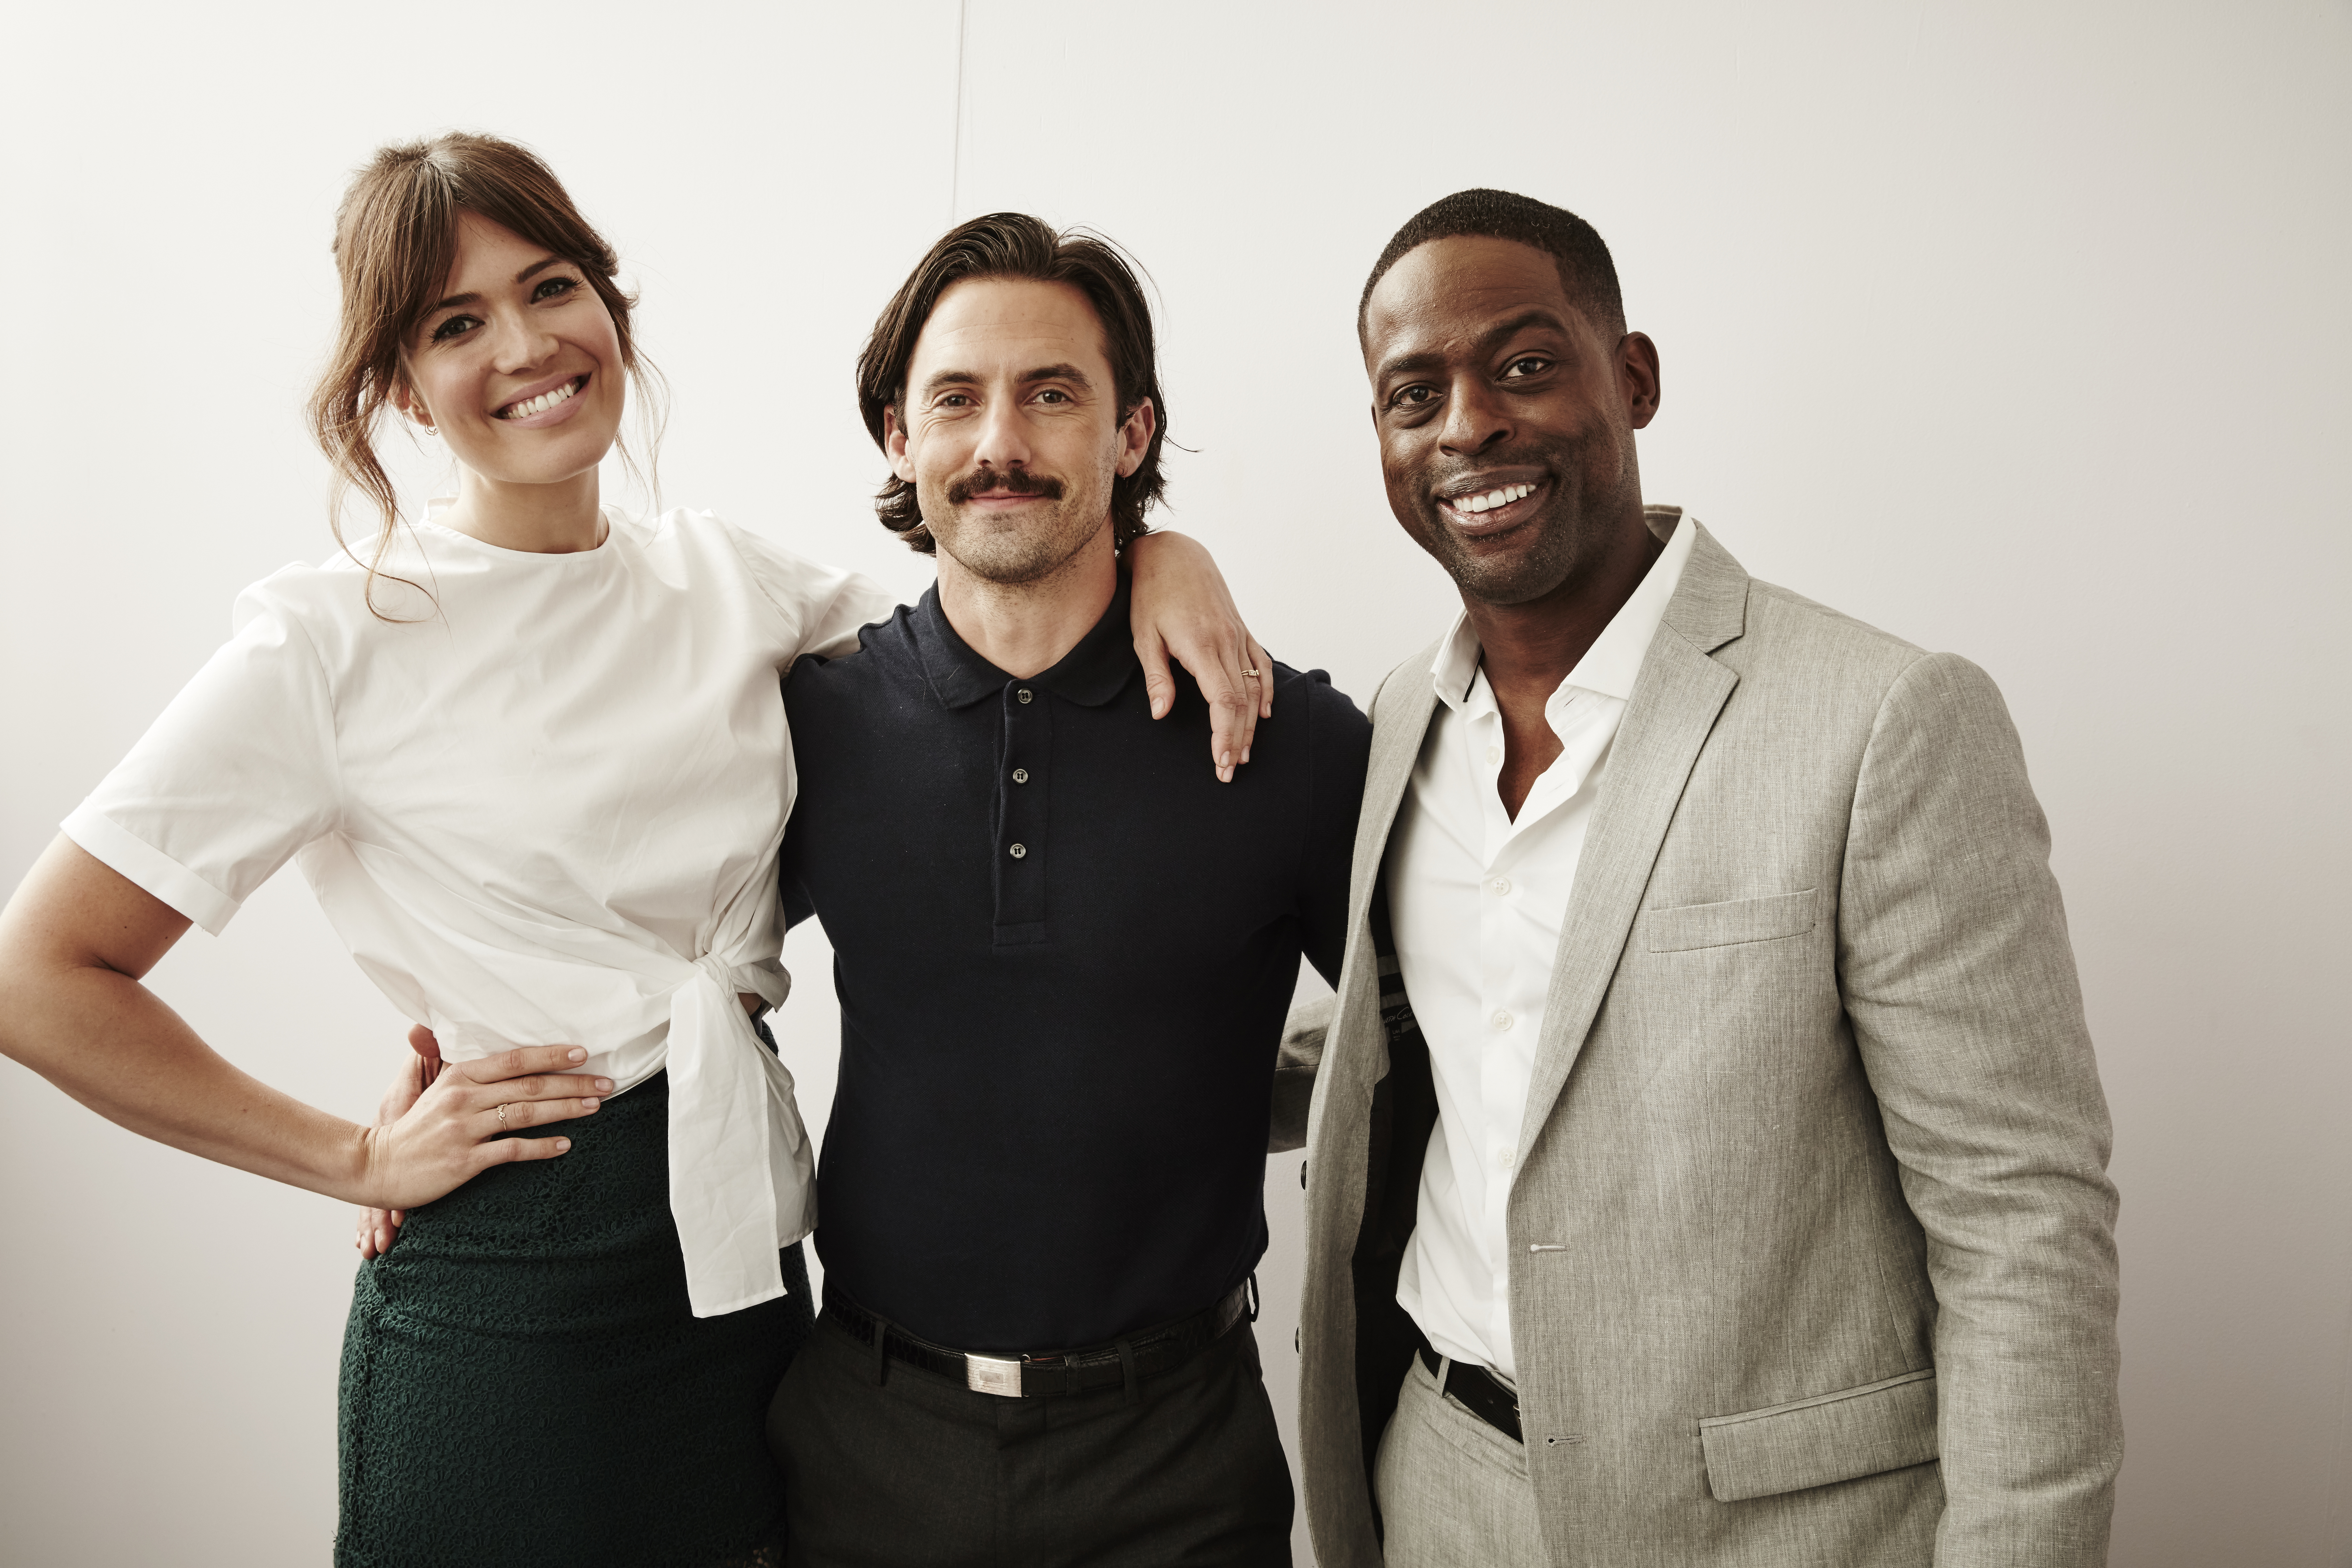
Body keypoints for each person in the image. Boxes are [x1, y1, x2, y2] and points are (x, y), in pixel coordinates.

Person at [0, 135, 1268, 1568]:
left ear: (611, 306)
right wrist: (354, 1155)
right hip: (508, 1305)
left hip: (746, 1297)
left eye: (552, 288)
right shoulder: (331, 637)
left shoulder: (730, 582)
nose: (526, 346)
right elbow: (39, 975)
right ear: (399, 387)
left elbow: (995, 634)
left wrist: (1166, 554)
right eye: (456, 323)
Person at [1285, 190, 2123, 1566]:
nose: (1468, 426)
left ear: (1634, 377)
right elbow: (1444, 1046)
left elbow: (2020, 1218)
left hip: (1779, 1528)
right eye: (1413, 395)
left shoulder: (1886, 718)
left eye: (1524, 364)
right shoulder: (1396, 723)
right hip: (1440, 1484)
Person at [762, 212, 1371, 1567]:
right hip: (869, 1438)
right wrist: (446, 1076)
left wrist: (1245, 1089)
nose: (1001, 443)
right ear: (897, 437)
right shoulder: (808, 723)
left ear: (1132, 433)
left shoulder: (1285, 739)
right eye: (956, 399)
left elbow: (1444, 1026)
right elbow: (644, 945)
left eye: (1053, 394)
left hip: (1179, 1462)